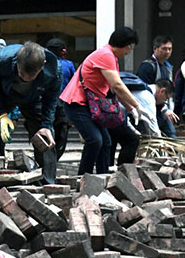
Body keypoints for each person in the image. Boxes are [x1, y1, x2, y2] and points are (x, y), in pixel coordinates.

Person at [59, 28, 142, 175]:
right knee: (95, 140)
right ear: (127, 45)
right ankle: (83, 178)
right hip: (77, 104)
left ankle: (102, 179)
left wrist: (131, 108)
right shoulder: (105, 55)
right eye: (131, 47)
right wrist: (137, 105)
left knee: (106, 142)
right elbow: (117, 85)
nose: (129, 52)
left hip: (90, 105)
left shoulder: (111, 57)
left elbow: (114, 88)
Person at [0, 41, 62, 184]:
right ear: (17, 62)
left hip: (34, 98)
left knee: (45, 137)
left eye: (31, 76)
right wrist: (2, 114)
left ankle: (48, 183)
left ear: (42, 66)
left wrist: (47, 125)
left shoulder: (54, 70)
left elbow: (50, 100)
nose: (25, 78)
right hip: (5, 96)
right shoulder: (1, 60)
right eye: (22, 73)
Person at [137, 35, 179, 138]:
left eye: (170, 49)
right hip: (149, 109)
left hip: (162, 107)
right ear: (155, 48)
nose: (167, 52)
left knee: (171, 135)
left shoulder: (167, 67)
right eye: (164, 49)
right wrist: (164, 108)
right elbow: (142, 92)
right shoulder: (147, 66)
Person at [46, 38, 76, 160]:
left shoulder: (43, 64)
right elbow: (75, 84)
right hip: (63, 105)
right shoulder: (68, 65)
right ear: (63, 52)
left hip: (46, 104)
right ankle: (55, 158)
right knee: (62, 134)